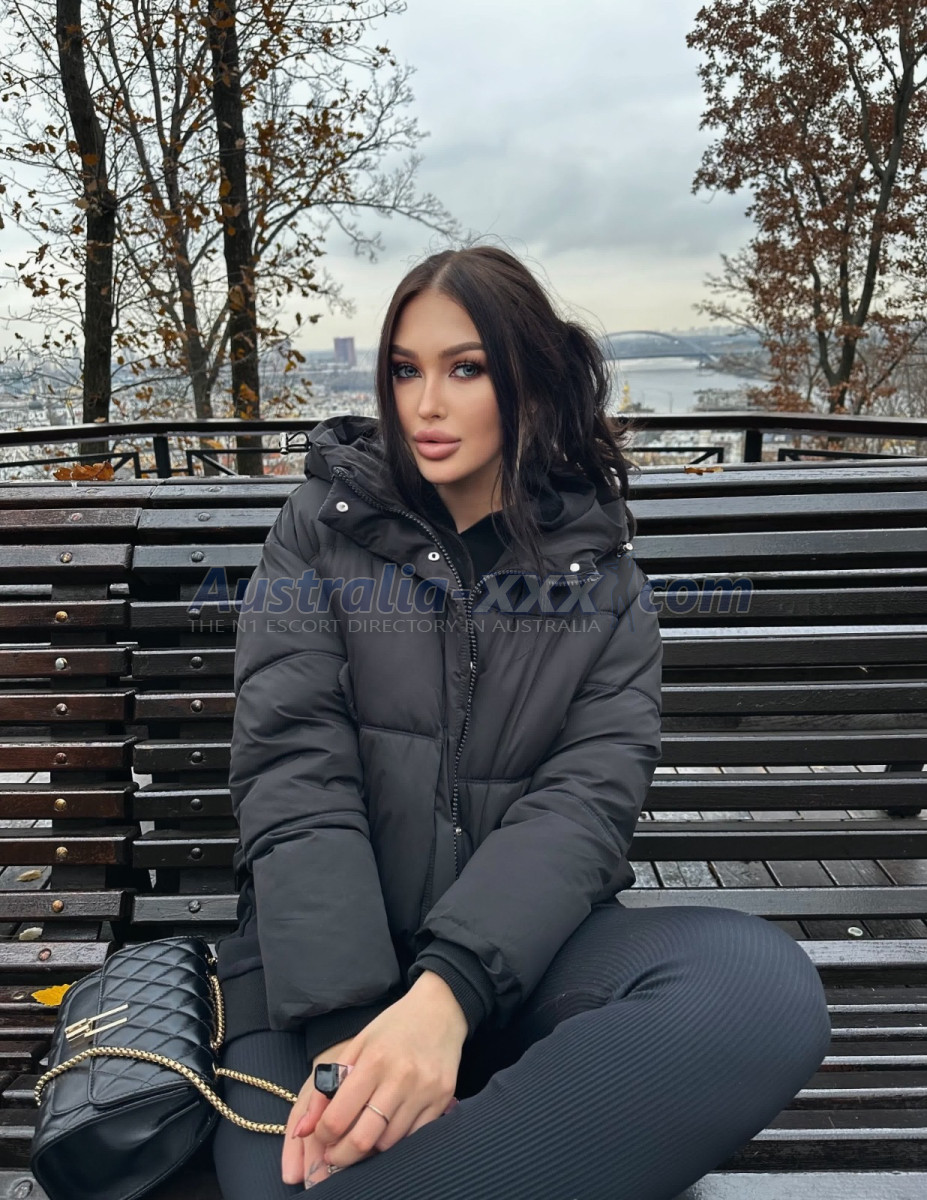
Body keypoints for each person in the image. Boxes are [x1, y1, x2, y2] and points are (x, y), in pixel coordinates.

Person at [210, 245, 832, 1200]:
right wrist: (360, 1039)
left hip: (523, 962)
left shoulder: (603, 578)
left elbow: (584, 805)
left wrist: (447, 997)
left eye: (465, 369)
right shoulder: (317, 531)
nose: (425, 405)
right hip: (315, 974)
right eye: (404, 370)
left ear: (530, 380)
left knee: (756, 988)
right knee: (287, 1176)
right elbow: (293, 770)